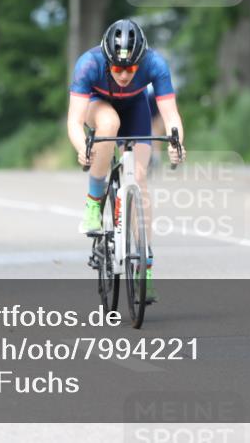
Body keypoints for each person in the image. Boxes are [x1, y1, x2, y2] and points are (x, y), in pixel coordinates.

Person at [66, 19, 185, 303]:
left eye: (130, 68)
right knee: (108, 122)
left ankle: (144, 270)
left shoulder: (155, 64)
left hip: (136, 108)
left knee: (140, 178)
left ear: (140, 61)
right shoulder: (88, 64)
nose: (123, 74)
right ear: (107, 60)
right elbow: (74, 121)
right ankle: (94, 202)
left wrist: (177, 144)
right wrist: (82, 147)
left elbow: (171, 117)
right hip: (99, 104)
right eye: (117, 68)